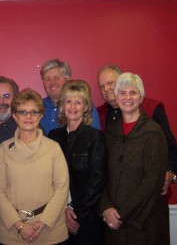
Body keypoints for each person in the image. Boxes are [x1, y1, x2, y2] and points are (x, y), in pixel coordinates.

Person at [100, 73, 169, 245]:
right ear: (116, 97)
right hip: (113, 222)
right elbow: (102, 175)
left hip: (145, 224)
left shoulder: (154, 133)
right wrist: (106, 207)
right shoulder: (110, 133)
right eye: (122, 93)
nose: (128, 97)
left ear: (141, 98)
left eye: (133, 92)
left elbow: (152, 182)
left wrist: (123, 214)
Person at [0, 88, 69, 245]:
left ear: (40, 116)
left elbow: (62, 188)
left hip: (50, 231)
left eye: (34, 112)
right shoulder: (3, 150)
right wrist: (20, 226)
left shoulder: (53, 148)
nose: (28, 117)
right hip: (11, 232)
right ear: (15, 116)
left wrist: (42, 223)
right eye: (22, 112)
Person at [97, 64, 177, 195]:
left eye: (110, 83)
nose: (106, 89)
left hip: (149, 194)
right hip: (114, 195)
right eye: (101, 86)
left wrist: (171, 175)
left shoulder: (151, 109)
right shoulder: (98, 115)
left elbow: (174, 152)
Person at [48, 80, 106, 245]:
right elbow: (49, 178)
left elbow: (97, 180)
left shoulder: (95, 137)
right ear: (62, 106)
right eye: (68, 101)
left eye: (78, 102)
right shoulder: (54, 136)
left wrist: (75, 212)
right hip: (58, 217)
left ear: (86, 107)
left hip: (87, 218)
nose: (72, 107)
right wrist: (63, 209)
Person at [39, 59, 101, 135]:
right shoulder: (38, 107)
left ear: (67, 79)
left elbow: (95, 138)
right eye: (47, 79)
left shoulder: (83, 106)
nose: (52, 83)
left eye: (57, 78)